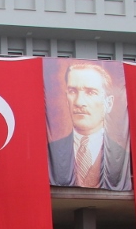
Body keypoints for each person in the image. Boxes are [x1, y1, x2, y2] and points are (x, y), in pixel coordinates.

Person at [47, 61, 130, 190]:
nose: (79, 102)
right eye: (73, 91)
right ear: (66, 98)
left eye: (91, 92)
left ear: (108, 103)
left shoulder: (122, 156)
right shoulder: (50, 152)